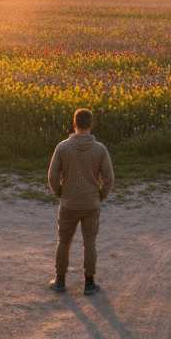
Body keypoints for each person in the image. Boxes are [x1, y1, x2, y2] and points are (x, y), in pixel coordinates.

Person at [47, 108, 114, 295]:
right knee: (90, 243)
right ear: (91, 126)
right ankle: (89, 283)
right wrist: (100, 196)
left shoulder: (62, 147)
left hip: (68, 204)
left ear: (74, 125)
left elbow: (52, 177)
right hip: (92, 204)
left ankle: (60, 281)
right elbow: (109, 179)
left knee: (64, 242)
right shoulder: (100, 149)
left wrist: (61, 194)